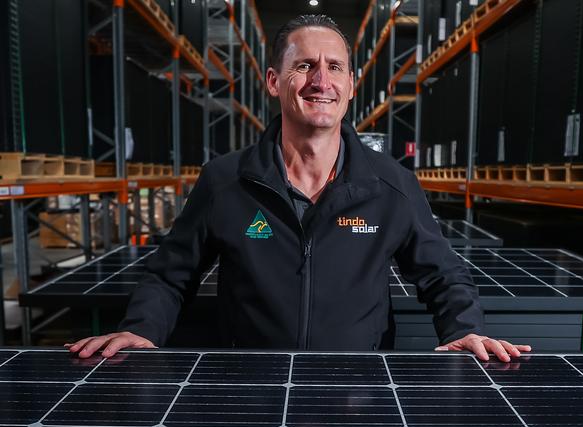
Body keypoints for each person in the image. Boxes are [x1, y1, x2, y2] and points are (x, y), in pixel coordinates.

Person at [67, 15, 530, 362]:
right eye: (304, 65)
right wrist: (142, 328)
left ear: (351, 84)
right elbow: (171, 274)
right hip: (248, 391)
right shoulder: (225, 181)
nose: (320, 81)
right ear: (273, 81)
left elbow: (442, 274)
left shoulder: (391, 185)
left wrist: (466, 328)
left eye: (334, 68)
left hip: (356, 394)